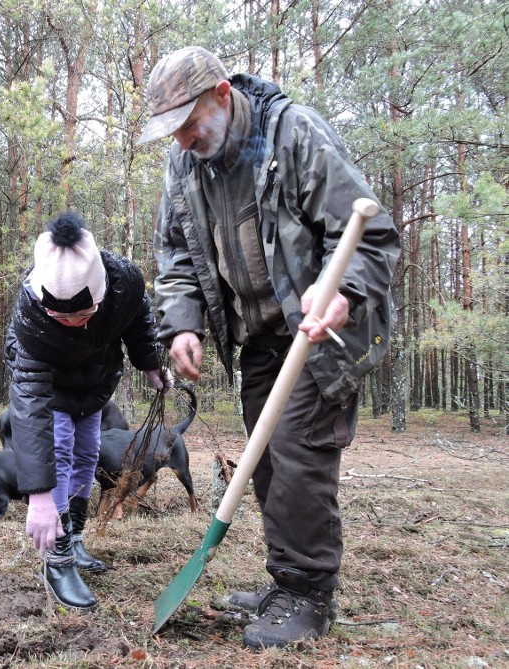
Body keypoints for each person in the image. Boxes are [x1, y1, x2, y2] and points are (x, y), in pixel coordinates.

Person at [139, 46, 400, 648]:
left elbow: (370, 234)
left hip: (320, 331)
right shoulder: (185, 167)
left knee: (298, 451)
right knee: (266, 464)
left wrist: (346, 292)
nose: (181, 140)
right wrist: (183, 325)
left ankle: (307, 595)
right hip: (257, 334)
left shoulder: (293, 135)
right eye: (171, 131)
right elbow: (175, 254)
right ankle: (287, 582)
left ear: (224, 96)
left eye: (190, 123)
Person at [5, 210, 172, 611]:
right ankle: (57, 558)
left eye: (82, 315)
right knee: (60, 451)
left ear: (99, 294)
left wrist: (150, 363)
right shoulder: (29, 317)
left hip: (96, 384)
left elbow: (138, 323)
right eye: (61, 316)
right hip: (53, 393)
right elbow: (30, 409)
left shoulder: (124, 282)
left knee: (85, 455)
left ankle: (75, 540)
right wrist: (39, 496)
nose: (73, 323)